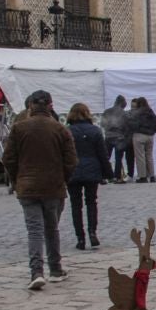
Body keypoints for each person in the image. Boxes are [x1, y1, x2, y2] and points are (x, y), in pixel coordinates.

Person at [4, 90, 75, 291]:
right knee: (51, 229)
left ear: (31, 106)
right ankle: (55, 268)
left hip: (28, 187)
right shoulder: (60, 129)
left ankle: (36, 272)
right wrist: (63, 179)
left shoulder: (19, 128)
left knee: (34, 231)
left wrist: (17, 179)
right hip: (53, 186)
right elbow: (71, 160)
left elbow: (8, 159)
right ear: (50, 106)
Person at [65, 103, 107, 251]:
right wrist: (106, 173)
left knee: (76, 205)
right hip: (92, 169)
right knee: (91, 202)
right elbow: (102, 154)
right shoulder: (95, 131)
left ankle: (80, 237)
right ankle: (92, 232)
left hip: (73, 170)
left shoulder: (68, 131)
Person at [128, 97, 156, 182]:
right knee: (149, 156)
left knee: (140, 156)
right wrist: (152, 131)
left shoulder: (137, 113)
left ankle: (143, 177)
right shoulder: (150, 112)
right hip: (150, 136)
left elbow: (132, 125)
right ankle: (152, 176)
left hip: (139, 135)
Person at [100, 95, 131, 182]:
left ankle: (104, 176)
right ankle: (117, 177)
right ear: (123, 103)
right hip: (119, 137)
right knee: (118, 158)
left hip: (108, 136)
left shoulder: (107, 111)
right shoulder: (124, 113)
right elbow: (127, 126)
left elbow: (102, 124)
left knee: (106, 157)